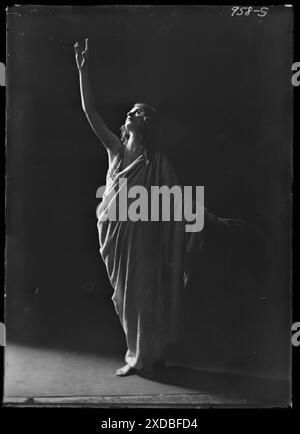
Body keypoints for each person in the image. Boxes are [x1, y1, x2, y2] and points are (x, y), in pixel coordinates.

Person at [74, 38, 246, 377]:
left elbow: (178, 198)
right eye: (131, 111)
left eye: (141, 112)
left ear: (148, 123)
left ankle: (145, 359)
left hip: (146, 237)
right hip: (116, 235)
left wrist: (206, 216)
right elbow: (89, 113)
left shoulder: (160, 162)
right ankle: (136, 355)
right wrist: (83, 71)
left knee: (145, 295)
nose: (133, 114)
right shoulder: (117, 151)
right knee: (124, 296)